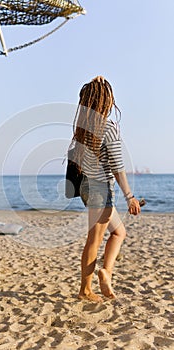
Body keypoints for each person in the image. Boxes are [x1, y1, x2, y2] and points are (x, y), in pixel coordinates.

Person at [72, 76, 141, 302]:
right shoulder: (108, 128)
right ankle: (85, 290)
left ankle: (106, 272)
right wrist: (130, 197)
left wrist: (94, 84)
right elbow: (118, 167)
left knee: (119, 232)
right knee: (94, 239)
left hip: (86, 187)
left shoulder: (82, 128)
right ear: (106, 101)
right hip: (100, 190)